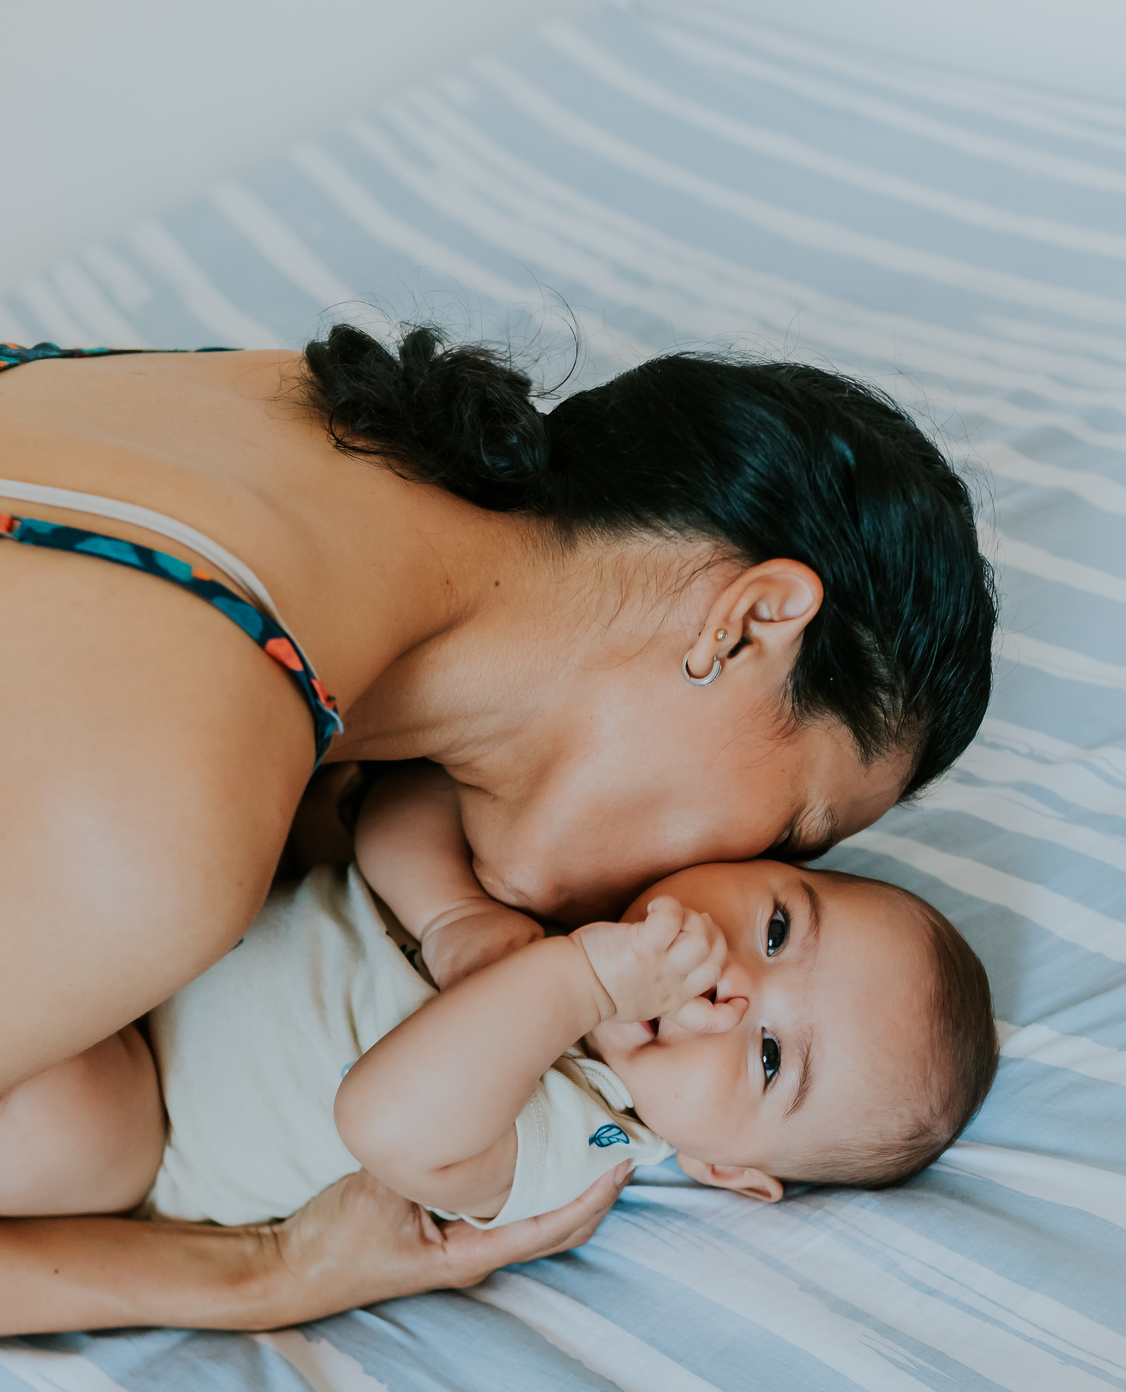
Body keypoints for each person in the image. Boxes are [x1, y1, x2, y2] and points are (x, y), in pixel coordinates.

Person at [0, 326, 996, 1331]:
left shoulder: (290, 407)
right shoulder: (159, 839)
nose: (722, 883)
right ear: (745, 625)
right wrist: (259, 1278)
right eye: (789, 835)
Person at [3, 765, 999, 1250]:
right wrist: (454, 915)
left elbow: (385, 1123)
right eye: (779, 929)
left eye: (772, 1058)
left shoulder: (590, 1137)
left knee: (76, 1114)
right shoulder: (576, 892)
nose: (737, 988)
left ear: (725, 1169)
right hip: (128, 938)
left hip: (147, 1115)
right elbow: (411, 791)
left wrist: (582, 987)